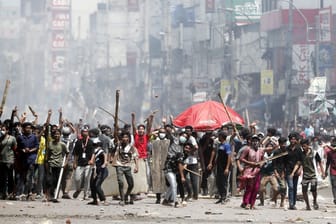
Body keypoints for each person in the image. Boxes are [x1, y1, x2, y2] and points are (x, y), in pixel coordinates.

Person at [111, 131, 139, 206]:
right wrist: (110, 159)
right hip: (119, 165)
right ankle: (122, 199)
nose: (124, 139)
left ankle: (127, 195)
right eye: (123, 137)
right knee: (120, 182)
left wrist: (136, 166)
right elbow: (111, 152)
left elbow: (135, 156)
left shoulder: (131, 147)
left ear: (129, 138)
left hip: (127, 166)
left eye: (126, 137)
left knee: (131, 184)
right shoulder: (118, 145)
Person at [162, 131, 186, 208]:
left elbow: (180, 163)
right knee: (173, 183)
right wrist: (182, 176)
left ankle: (165, 200)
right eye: (183, 136)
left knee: (174, 184)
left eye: (186, 137)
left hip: (174, 169)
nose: (184, 138)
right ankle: (176, 202)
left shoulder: (181, 149)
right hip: (169, 167)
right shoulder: (173, 143)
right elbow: (170, 134)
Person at [300, 138, 325, 210]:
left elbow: (320, 162)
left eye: (304, 146)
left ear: (308, 145)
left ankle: (314, 201)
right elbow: (299, 163)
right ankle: (307, 205)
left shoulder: (314, 153)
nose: (303, 148)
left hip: (313, 174)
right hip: (305, 175)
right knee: (304, 190)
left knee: (313, 189)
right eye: (302, 146)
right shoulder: (302, 154)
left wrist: (323, 173)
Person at [16, 122, 39, 200]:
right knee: (22, 177)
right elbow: (18, 147)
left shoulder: (34, 137)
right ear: (23, 129)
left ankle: (27, 193)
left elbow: (36, 147)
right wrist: (23, 150)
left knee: (29, 177)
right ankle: (20, 193)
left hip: (31, 159)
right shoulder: (20, 137)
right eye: (27, 128)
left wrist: (30, 150)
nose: (28, 129)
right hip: (22, 159)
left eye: (29, 128)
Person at [45, 129, 69, 202]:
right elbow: (47, 154)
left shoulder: (62, 144)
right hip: (51, 164)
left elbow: (67, 154)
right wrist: (47, 163)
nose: (57, 135)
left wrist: (65, 163)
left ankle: (55, 195)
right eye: (55, 134)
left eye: (58, 134)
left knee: (56, 181)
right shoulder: (50, 144)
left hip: (59, 165)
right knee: (50, 181)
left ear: (60, 135)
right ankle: (49, 195)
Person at [209, 131, 231, 204]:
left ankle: (224, 197)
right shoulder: (220, 145)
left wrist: (227, 168)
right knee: (218, 181)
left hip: (224, 166)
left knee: (224, 182)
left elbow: (229, 156)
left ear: (222, 136)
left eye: (219, 136)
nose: (218, 137)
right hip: (219, 166)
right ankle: (221, 197)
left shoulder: (226, 145)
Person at [72, 127, 94, 200]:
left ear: (88, 133)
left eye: (86, 132)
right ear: (81, 133)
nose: (85, 133)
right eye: (83, 132)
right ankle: (78, 189)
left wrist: (91, 160)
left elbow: (93, 153)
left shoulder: (91, 142)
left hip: (88, 163)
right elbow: (75, 153)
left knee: (87, 178)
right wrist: (74, 162)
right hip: (80, 163)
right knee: (77, 178)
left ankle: (86, 194)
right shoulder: (78, 142)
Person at [150, 127, 170, 204]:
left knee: (167, 181)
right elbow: (150, 135)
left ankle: (168, 197)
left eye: (164, 132)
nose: (162, 134)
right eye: (161, 132)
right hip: (156, 163)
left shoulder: (168, 141)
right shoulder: (154, 141)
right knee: (157, 180)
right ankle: (158, 198)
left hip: (166, 163)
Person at [284, 132, 303, 210]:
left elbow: (301, 160)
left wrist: (300, 169)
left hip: (296, 170)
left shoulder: (299, 149)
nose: (292, 140)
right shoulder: (287, 149)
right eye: (291, 139)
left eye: (294, 139)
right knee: (290, 187)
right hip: (288, 170)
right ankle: (291, 203)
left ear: (296, 140)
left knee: (294, 187)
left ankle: (293, 203)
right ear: (289, 140)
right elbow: (284, 160)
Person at [87, 137, 109, 206]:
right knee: (92, 185)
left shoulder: (101, 151)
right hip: (96, 170)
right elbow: (92, 160)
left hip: (102, 171)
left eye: (97, 145)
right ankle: (95, 200)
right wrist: (90, 162)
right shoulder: (94, 152)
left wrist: (105, 162)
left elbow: (105, 156)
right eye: (95, 145)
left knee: (97, 185)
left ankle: (104, 200)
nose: (96, 146)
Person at [0, 124, 17, 200]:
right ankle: (3, 193)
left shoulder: (12, 138)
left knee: (10, 177)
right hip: (1, 160)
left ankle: (11, 193)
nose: (2, 131)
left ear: (7, 130)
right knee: (2, 178)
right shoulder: (0, 138)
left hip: (9, 160)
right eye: (1, 129)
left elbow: (15, 148)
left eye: (3, 129)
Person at [184, 125, 199, 201]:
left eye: (189, 130)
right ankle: (189, 193)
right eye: (186, 130)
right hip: (185, 161)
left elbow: (196, 147)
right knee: (183, 178)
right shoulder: (183, 138)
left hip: (193, 162)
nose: (187, 132)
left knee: (194, 180)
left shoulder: (192, 138)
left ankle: (195, 195)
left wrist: (190, 151)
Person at [273, 137, 288, 208]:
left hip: (284, 172)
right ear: (279, 144)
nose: (283, 145)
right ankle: (274, 198)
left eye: (284, 143)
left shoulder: (286, 152)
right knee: (277, 188)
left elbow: (286, 163)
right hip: (276, 171)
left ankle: (282, 201)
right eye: (282, 144)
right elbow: (274, 163)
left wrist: (283, 172)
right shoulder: (276, 152)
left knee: (284, 187)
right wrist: (276, 172)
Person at [199, 131, 215, 196]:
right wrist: (206, 143)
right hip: (203, 159)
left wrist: (211, 162)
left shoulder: (212, 141)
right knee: (204, 174)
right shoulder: (202, 140)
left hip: (210, 160)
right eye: (208, 134)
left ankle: (211, 190)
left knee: (211, 175)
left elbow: (213, 151)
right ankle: (204, 189)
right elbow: (201, 151)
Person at [325, 138, 336, 204]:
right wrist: (325, 171)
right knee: (334, 185)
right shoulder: (329, 153)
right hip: (333, 170)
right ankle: (335, 198)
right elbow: (328, 162)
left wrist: (326, 145)